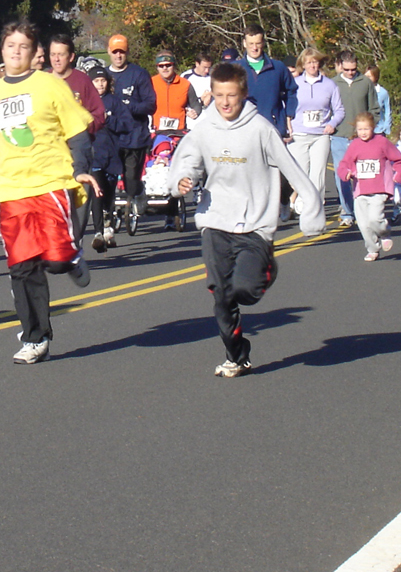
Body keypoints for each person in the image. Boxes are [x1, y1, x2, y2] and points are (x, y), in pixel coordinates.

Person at [167, 61, 324, 377]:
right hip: (215, 221)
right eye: (220, 95)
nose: (225, 102)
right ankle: (236, 356)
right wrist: (181, 181)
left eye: (232, 95)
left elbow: (292, 169)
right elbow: (185, 163)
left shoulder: (261, 130)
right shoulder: (204, 130)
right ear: (211, 93)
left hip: (254, 224)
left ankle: (267, 266)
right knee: (222, 295)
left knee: (244, 290)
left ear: (244, 94)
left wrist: (312, 209)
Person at [0, 21, 98, 365]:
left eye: (23, 46)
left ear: (34, 52)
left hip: (51, 181)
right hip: (12, 188)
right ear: (2, 50)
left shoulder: (50, 85)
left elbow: (78, 131)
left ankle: (72, 257)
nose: (16, 51)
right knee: (21, 266)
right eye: (11, 45)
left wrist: (80, 166)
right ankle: (35, 337)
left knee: (54, 262)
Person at [337, 112, 401, 261]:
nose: (363, 133)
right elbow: (344, 164)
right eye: (360, 129)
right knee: (363, 224)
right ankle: (373, 249)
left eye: (366, 129)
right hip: (360, 190)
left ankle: (385, 233)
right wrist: (346, 173)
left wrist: (398, 174)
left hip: (379, 188)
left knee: (375, 219)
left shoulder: (381, 142)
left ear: (373, 128)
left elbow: (399, 159)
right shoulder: (355, 144)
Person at [105, 33, 156, 221]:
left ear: (127, 53)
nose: (118, 56)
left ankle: (138, 191)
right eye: (115, 52)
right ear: (109, 51)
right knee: (107, 176)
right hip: (111, 136)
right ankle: (107, 212)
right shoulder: (104, 75)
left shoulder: (139, 74)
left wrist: (129, 106)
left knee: (131, 179)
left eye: (122, 52)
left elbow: (151, 105)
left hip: (135, 135)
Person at [149, 51, 201, 230]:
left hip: (179, 133)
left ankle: (172, 213)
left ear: (174, 66)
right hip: (158, 133)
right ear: (157, 68)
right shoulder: (151, 83)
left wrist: (194, 112)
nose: (165, 69)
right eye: (161, 66)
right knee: (156, 166)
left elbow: (196, 104)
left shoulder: (185, 84)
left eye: (168, 65)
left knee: (175, 169)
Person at [288, 46, 344, 204]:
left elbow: (339, 110)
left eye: (315, 62)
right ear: (303, 65)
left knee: (318, 176)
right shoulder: (294, 84)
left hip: (321, 136)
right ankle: (300, 202)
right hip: (299, 134)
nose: (312, 65)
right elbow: (286, 107)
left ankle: (315, 209)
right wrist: (288, 126)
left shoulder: (330, 85)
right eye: (309, 62)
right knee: (300, 173)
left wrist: (332, 124)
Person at [330, 50, 380, 227]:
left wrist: (371, 128)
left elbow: (374, 108)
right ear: (340, 66)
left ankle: (362, 210)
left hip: (362, 138)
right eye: (347, 69)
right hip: (339, 137)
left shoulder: (365, 82)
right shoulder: (333, 84)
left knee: (363, 175)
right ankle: (347, 211)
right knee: (342, 175)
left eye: (353, 69)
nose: (351, 72)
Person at [89, 65, 127, 251]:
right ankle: (97, 232)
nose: (100, 84)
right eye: (96, 81)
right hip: (94, 155)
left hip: (112, 155)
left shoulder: (114, 102)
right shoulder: (85, 102)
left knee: (109, 194)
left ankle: (109, 226)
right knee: (96, 192)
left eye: (103, 80)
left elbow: (126, 124)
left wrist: (108, 119)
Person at [365, 66, 392, 137]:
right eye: (366, 76)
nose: (367, 79)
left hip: (378, 129)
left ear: (376, 77)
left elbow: (387, 111)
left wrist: (386, 126)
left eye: (369, 76)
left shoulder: (383, 92)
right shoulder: (361, 91)